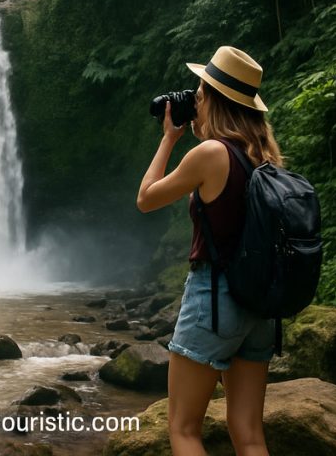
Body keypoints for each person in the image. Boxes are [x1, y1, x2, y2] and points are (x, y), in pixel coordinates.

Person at [136, 46, 283, 456]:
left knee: (184, 429)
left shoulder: (211, 154)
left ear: (215, 101)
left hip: (215, 301)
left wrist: (169, 138)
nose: (194, 102)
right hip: (259, 304)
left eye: (200, 95)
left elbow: (146, 198)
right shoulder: (265, 157)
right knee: (249, 434)